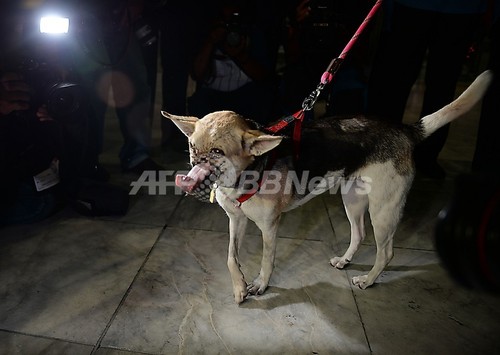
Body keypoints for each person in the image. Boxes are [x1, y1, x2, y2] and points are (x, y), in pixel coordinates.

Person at [366, 0, 490, 179]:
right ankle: (387, 152)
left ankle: (419, 155)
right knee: (398, 84)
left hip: (457, 9)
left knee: (435, 86)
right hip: (431, 7)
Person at [60, 0, 163, 173]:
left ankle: (136, 155)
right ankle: (89, 159)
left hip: (120, 15)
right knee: (90, 94)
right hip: (83, 17)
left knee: (134, 87)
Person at [188, 0, 284, 125]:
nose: (229, 25)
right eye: (224, 20)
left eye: (233, 18)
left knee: (262, 98)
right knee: (198, 101)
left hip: (245, 94)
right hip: (212, 95)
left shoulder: (252, 33)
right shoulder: (207, 34)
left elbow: (264, 76)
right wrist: (211, 41)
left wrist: (240, 55)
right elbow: (196, 74)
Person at [279, 0, 376, 118]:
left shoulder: (354, 6)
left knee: (351, 89)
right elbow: (291, 56)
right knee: (293, 86)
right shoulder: (299, 6)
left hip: (343, 64)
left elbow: (363, 55)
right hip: (304, 63)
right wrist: (296, 25)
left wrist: (344, 26)